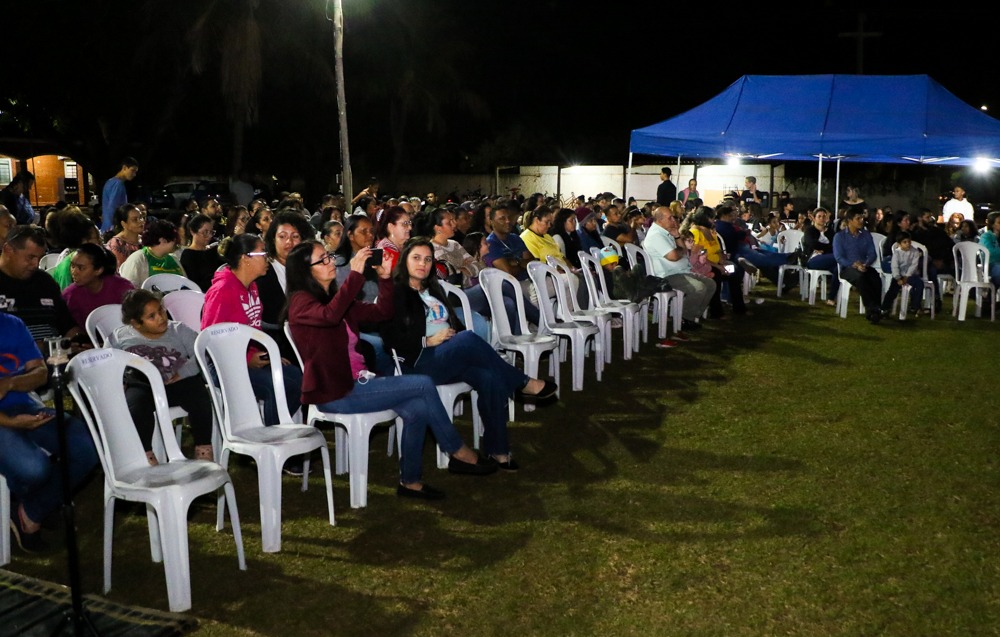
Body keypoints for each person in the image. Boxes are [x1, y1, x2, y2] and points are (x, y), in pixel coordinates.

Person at [284, 240, 496, 500]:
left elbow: (381, 312)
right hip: (336, 391)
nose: (330, 262)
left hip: (358, 382)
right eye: (323, 260)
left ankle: (411, 482)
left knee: (417, 408)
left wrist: (384, 279)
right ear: (306, 271)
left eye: (328, 256)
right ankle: (458, 452)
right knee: (422, 384)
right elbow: (329, 316)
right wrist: (354, 275)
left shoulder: (335, 300)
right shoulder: (301, 303)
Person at [380, 238, 557, 471]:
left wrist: (455, 341)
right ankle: (522, 382)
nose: (422, 264)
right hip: (419, 362)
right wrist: (426, 340)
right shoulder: (396, 292)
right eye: (416, 258)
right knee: (469, 338)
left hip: (445, 357)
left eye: (427, 259)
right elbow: (390, 337)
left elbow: (452, 324)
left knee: (489, 377)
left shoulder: (433, 288)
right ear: (404, 261)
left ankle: (498, 452)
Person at [0, 311, 98, 552]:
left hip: (25, 406)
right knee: (34, 469)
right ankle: (31, 502)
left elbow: (40, 372)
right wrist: (12, 423)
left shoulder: (12, 324)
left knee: (87, 448)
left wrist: (11, 383)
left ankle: (33, 509)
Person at [202, 233, 302, 432]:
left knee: (298, 378)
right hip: (223, 365)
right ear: (245, 258)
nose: (268, 259)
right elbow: (211, 339)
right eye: (263, 253)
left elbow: (252, 330)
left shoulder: (252, 286)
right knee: (278, 386)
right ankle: (274, 442)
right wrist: (247, 359)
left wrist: (267, 355)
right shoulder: (223, 290)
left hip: (247, 359)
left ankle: (274, 432)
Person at [109, 289, 214, 464]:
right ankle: (146, 454)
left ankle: (203, 448)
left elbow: (203, 351)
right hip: (143, 386)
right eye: (152, 316)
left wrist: (184, 372)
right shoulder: (120, 337)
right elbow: (107, 364)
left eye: (161, 310)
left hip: (176, 382)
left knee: (199, 394)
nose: (161, 317)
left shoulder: (178, 330)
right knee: (136, 405)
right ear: (136, 323)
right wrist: (118, 381)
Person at [0, 225, 80, 344]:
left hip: (56, 356)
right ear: (8, 250)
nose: (35, 264)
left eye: (40, 258)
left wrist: (79, 341)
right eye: (30, 257)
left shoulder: (45, 281)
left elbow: (67, 325)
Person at [641, 206, 715, 329]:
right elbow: (674, 256)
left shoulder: (666, 231)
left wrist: (676, 237)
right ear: (660, 220)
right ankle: (685, 319)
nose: (674, 220)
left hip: (681, 270)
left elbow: (683, 251)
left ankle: (691, 315)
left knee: (711, 284)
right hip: (667, 275)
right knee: (699, 288)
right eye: (670, 218)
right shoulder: (656, 235)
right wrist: (680, 249)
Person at [62, 243, 134, 331]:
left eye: (81, 268)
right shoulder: (69, 295)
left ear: (98, 270)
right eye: (72, 266)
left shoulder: (123, 288)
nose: (74, 272)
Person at [833, 208, 882, 323]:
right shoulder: (840, 237)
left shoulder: (866, 235)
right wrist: (853, 264)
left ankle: (875, 308)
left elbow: (872, 253)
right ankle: (873, 309)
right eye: (858, 219)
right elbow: (839, 257)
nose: (861, 221)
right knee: (861, 278)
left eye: (862, 218)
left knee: (875, 277)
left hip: (864, 266)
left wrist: (866, 263)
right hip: (848, 268)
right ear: (849, 220)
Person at [119, 218, 186, 288]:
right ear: (162, 240)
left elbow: (186, 284)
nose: (176, 243)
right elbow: (129, 289)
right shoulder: (137, 259)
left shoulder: (174, 259)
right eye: (174, 240)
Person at [879, 232, 924, 318]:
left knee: (919, 284)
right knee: (892, 290)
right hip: (899, 275)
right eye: (905, 242)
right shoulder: (897, 253)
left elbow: (914, 266)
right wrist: (898, 278)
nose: (907, 244)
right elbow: (894, 266)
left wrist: (907, 276)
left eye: (909, 242)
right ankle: (885, 308)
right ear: (899, 244)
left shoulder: (915, 252)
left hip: (911, 275)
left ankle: (915, 305)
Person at [179, 214, 224, 292]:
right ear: (193, 231)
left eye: (212, 232)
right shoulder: (188, 255)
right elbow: (193, 283)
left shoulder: (213, 251)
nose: (209, 236)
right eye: (205, 232)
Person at [100, 158, 139, 232]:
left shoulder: (110, 182)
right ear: (124, 168)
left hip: (107, 227)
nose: (134, 174)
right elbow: (113, 208)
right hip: (113, 229)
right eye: (132, 170)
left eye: (135, 172)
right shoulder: (118, 184)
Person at [373, 205, 412, 273]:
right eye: (405, 224)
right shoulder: (388, 255)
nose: (410, 227)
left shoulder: (404, 247)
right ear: (391, 227)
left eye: (410, 223)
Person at [105, 203, 145, 269]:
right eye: (135, 219)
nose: (141, 221)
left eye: (141, 217)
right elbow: (120, 271)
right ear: (123, 223)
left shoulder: (145, 240)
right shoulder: (116, 244)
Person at [979, 211, 1000, 287]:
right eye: (999, 222)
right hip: (990, 266)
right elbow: (988, 252)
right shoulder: (986, 236)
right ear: (992, 224)